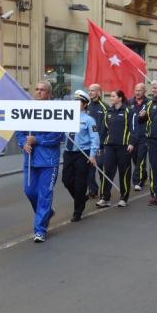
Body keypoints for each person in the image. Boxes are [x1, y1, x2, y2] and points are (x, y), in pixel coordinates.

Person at [15, 81, 63, 242]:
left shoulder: (56, 111)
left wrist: (37, 140)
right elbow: (20, 133)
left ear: (49, 94)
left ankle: (40, 230)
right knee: (29, 191)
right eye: (37, 89)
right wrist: (23, 143)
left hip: (49, 162)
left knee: (44, 196)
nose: (38, 92)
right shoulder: (28, 109)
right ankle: (46, 213)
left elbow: (58, 136)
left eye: (42, 90)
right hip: (30, 161)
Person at [62, 90, 98, 222]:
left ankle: (78, 211)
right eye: (75, 101)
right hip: (68, 152)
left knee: (80, 183)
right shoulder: (67, 116)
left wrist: (93, 155)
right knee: (66, 180)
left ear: (84, 104)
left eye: (78, 102)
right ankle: (81, 198)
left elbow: (95, 138)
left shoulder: (89, 120)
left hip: (82, 153)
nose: (75, 103)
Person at [96, 90, 133, 208]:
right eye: (110, 96)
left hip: (124, 147)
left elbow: (134, 128)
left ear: (120, 98)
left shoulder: (128, 111)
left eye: (113, 96)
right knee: (107, 172)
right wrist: (101, 146)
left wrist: (132, 143)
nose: (111, 98)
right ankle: (105, 198)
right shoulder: (108, 112)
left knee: (124, 172)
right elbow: (103, 130)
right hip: (110, 147)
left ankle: (124, 198)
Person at [86, 84, 108, 198]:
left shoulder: (104, 107)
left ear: (98, 92)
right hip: (87, 144)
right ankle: (93, 189)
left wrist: (102, 144)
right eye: (89, 91)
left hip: (100, 144)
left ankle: (104, 192)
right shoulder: (86, 106)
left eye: (92, 91)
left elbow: (106, 127)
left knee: (100, 168)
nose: (90, 93)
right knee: (89, 169)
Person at [128, 83, 149, 190]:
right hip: (133, 135)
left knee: (141, 158)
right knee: (135, 159)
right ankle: (143, 175)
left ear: (144, 91)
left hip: (144, 135)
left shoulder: (149, 102)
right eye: (136, 90)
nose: (137, 92)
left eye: (140, 90)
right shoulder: (129, 102)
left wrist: (146, 115)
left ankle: (137, 181)